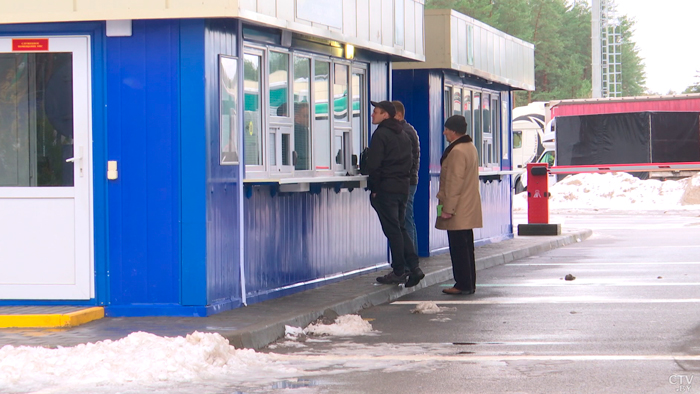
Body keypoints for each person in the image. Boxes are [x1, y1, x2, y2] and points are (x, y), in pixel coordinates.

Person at [365, 100, 424, 287]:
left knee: (393, 231)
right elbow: (409, 162)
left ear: (386, 115)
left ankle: (399, 270)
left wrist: (374, 189)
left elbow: (374, 165)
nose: (373, 115)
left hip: (386, 190)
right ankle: (414, 267)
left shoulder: (381, 134)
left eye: (376, 112)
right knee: (400, 228)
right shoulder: (403, 134)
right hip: (402, 188)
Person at [436, 115, 483, 295]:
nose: (444, 132)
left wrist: (448, 209)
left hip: (457, 208)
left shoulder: (456, 151)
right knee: (466, 246)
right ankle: (469, 282)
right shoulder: (470, 147)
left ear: (454, 131)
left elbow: (454, 182)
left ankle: (462, 284)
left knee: (458, 248)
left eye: (447, 129)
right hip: (467, 206)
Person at [391, 100, 420, 255]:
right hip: (409, 181)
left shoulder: (404, 132)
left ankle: (410, 261)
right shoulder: (408, 130)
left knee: (405, 220)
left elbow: (404, 160)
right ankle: (411, 258)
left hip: (406, 182)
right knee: (407, 219)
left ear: (398, 115)